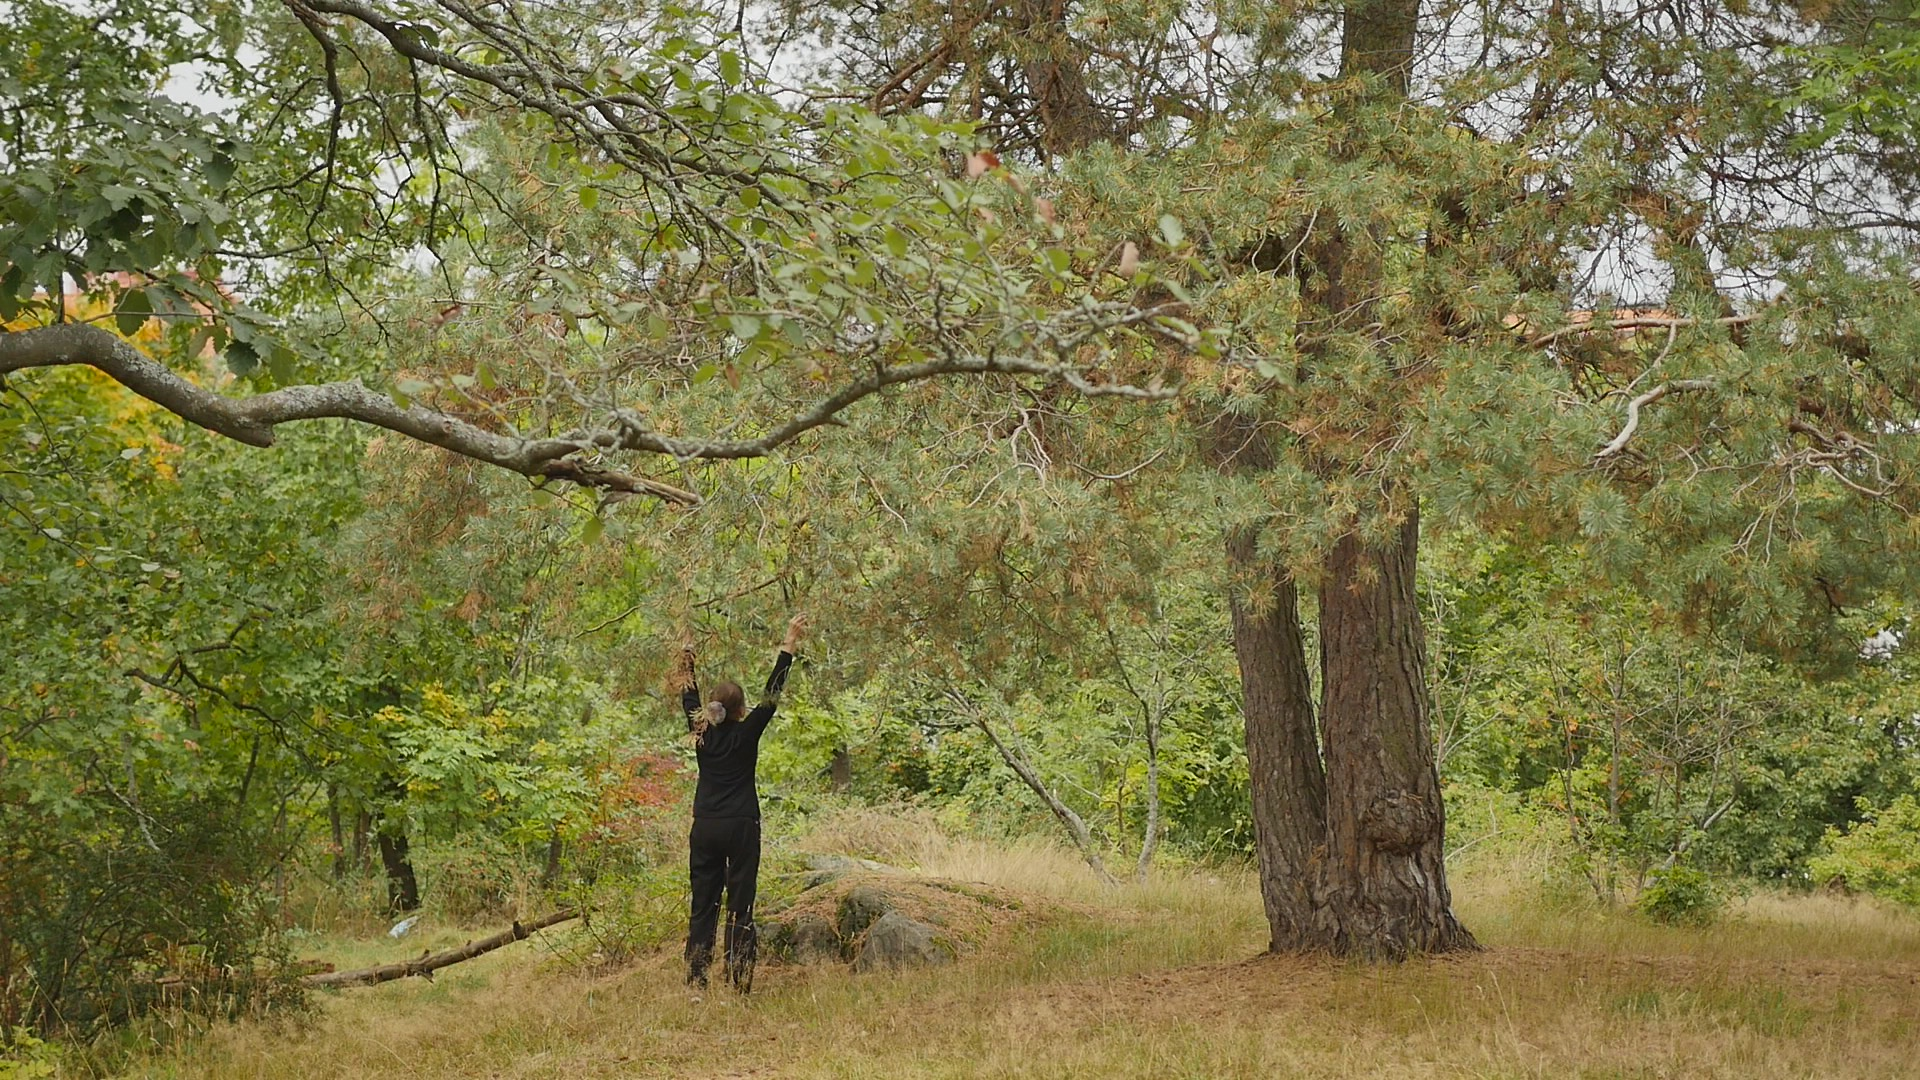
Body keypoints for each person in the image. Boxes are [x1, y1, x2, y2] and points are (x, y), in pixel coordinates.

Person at [675, 613, 807, 995]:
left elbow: (688, 694)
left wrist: (687, 651)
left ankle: (697, 981)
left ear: (712, 707)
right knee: (740, 902)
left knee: (703, 904)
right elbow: (772, 695)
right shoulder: (748, 731)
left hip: (705, 825)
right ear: (740, 710)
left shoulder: (701, 730)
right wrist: (788, 643)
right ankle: (738, 979)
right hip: (741, 825)